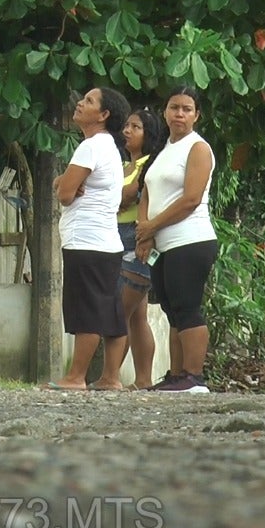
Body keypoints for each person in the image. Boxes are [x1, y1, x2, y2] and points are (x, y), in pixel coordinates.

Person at [45, 87, 130, 391]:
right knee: (110, 310)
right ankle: (111, 377)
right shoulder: (109, 148)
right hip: (107, 242)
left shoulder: (91, 147)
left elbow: (66, 194)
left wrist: (65, 184)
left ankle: (76, 376)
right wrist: (65, 181)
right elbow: (66, 184)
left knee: (89, 309)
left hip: (86, 240)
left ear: (104, 115)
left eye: (90, 101)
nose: (80, 103)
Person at [136, 86, 218, 394]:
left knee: (187, 306)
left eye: (186, 108)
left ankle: (194, 377)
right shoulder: (163, 150)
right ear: (165, 112)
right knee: (172, 310)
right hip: (163, 243)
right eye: (174, 107)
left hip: (191, 240)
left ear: (196, 115)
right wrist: (145, 232)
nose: (179, 114)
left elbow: (191, 199)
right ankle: (176, 373)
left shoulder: (198, 148)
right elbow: (147, 191)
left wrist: (151, 226)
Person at [117, 107, 161, 389]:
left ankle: (109, 375)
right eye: (127, 126)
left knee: (119, 309)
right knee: (137, 315)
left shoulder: (149, 165)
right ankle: (143, 379)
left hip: (135, 236)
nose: (127, 131)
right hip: (116, 235)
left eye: (135, 127)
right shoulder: (123, 167)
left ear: (148, 134)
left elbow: (125, 197)